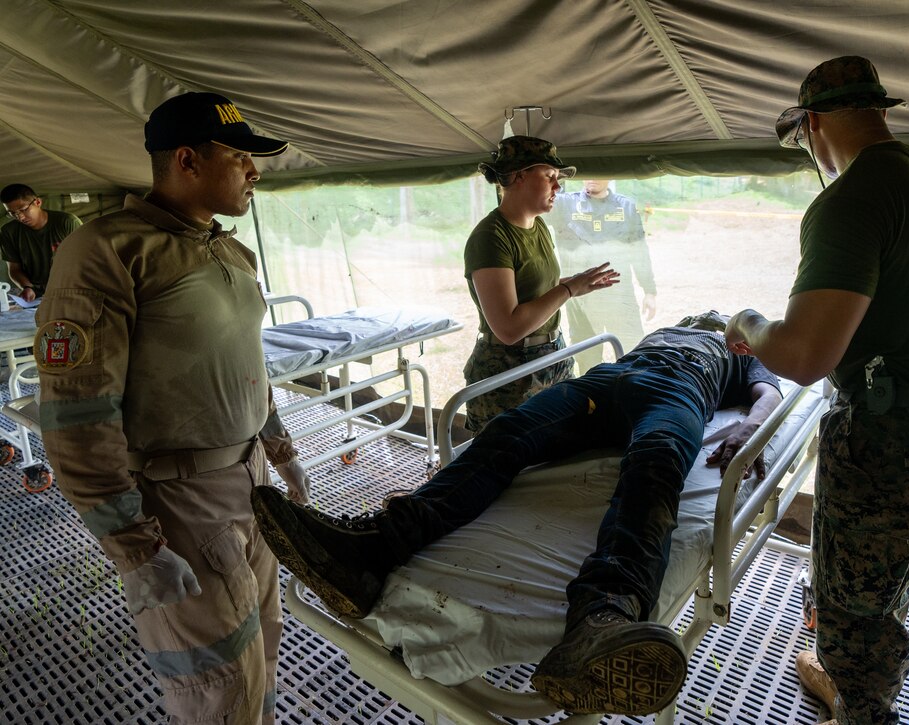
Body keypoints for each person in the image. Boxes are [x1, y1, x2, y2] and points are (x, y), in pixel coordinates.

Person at [251, 310, 783, 716]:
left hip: (679, 393)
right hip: (611, 381)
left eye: (717, 316)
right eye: (702, 314)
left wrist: (749, 429)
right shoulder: (665, 331)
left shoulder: (737, 348)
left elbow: (767, 390)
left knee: (659, 462)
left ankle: (605, 613)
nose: (707, 317)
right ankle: (373, 549)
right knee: (508, 431)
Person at [723, 56, 909, 725]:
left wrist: (748, 324)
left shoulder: (849, 200)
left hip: (887, 435)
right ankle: (864, 674)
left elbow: (802, 355)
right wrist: (905, 289)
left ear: (814, 124)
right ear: (881, 110)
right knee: (886, 560)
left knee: (850, 610)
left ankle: (860, 706)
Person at [34, 92, 313, 725]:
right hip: (177, 501)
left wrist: (280, 449)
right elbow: (77, 414)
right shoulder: (107, 249)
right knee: (217, 684)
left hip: (253, 486)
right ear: (187, 159)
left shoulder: (228, 251)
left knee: (263, 650)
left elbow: (247, 365)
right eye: (240, 157)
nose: (254, 172)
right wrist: (133, 546)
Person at [463, 135, 620, 432]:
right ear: (518, 176)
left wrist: (574, 284)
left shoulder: (538, 227)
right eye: (549, 176)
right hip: (509, 371)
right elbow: (509, 328)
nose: (557, 186)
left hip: (551, 356)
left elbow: (532, 290)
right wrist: (568, 289)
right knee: (511, 466)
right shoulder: (490, 238)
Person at [550, 179, 657, 373]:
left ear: (610, 177)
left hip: (619, 295)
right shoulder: (564, 204)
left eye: (598, 174)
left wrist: (649, 291)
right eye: (587, 173)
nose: (592, 178)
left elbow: (639, 249)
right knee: (587, 358)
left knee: (633, 352)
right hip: (580, 299)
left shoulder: (625, 207)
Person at [1, 183, 82, 301]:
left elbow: (84, 261)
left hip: (69, 289)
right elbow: (14, 269)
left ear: (38, 202)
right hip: (35, 293)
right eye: (12, 213)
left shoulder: (67, 223)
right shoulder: (8, 231)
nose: (20, 217)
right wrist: (27, 287)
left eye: (23, 210)